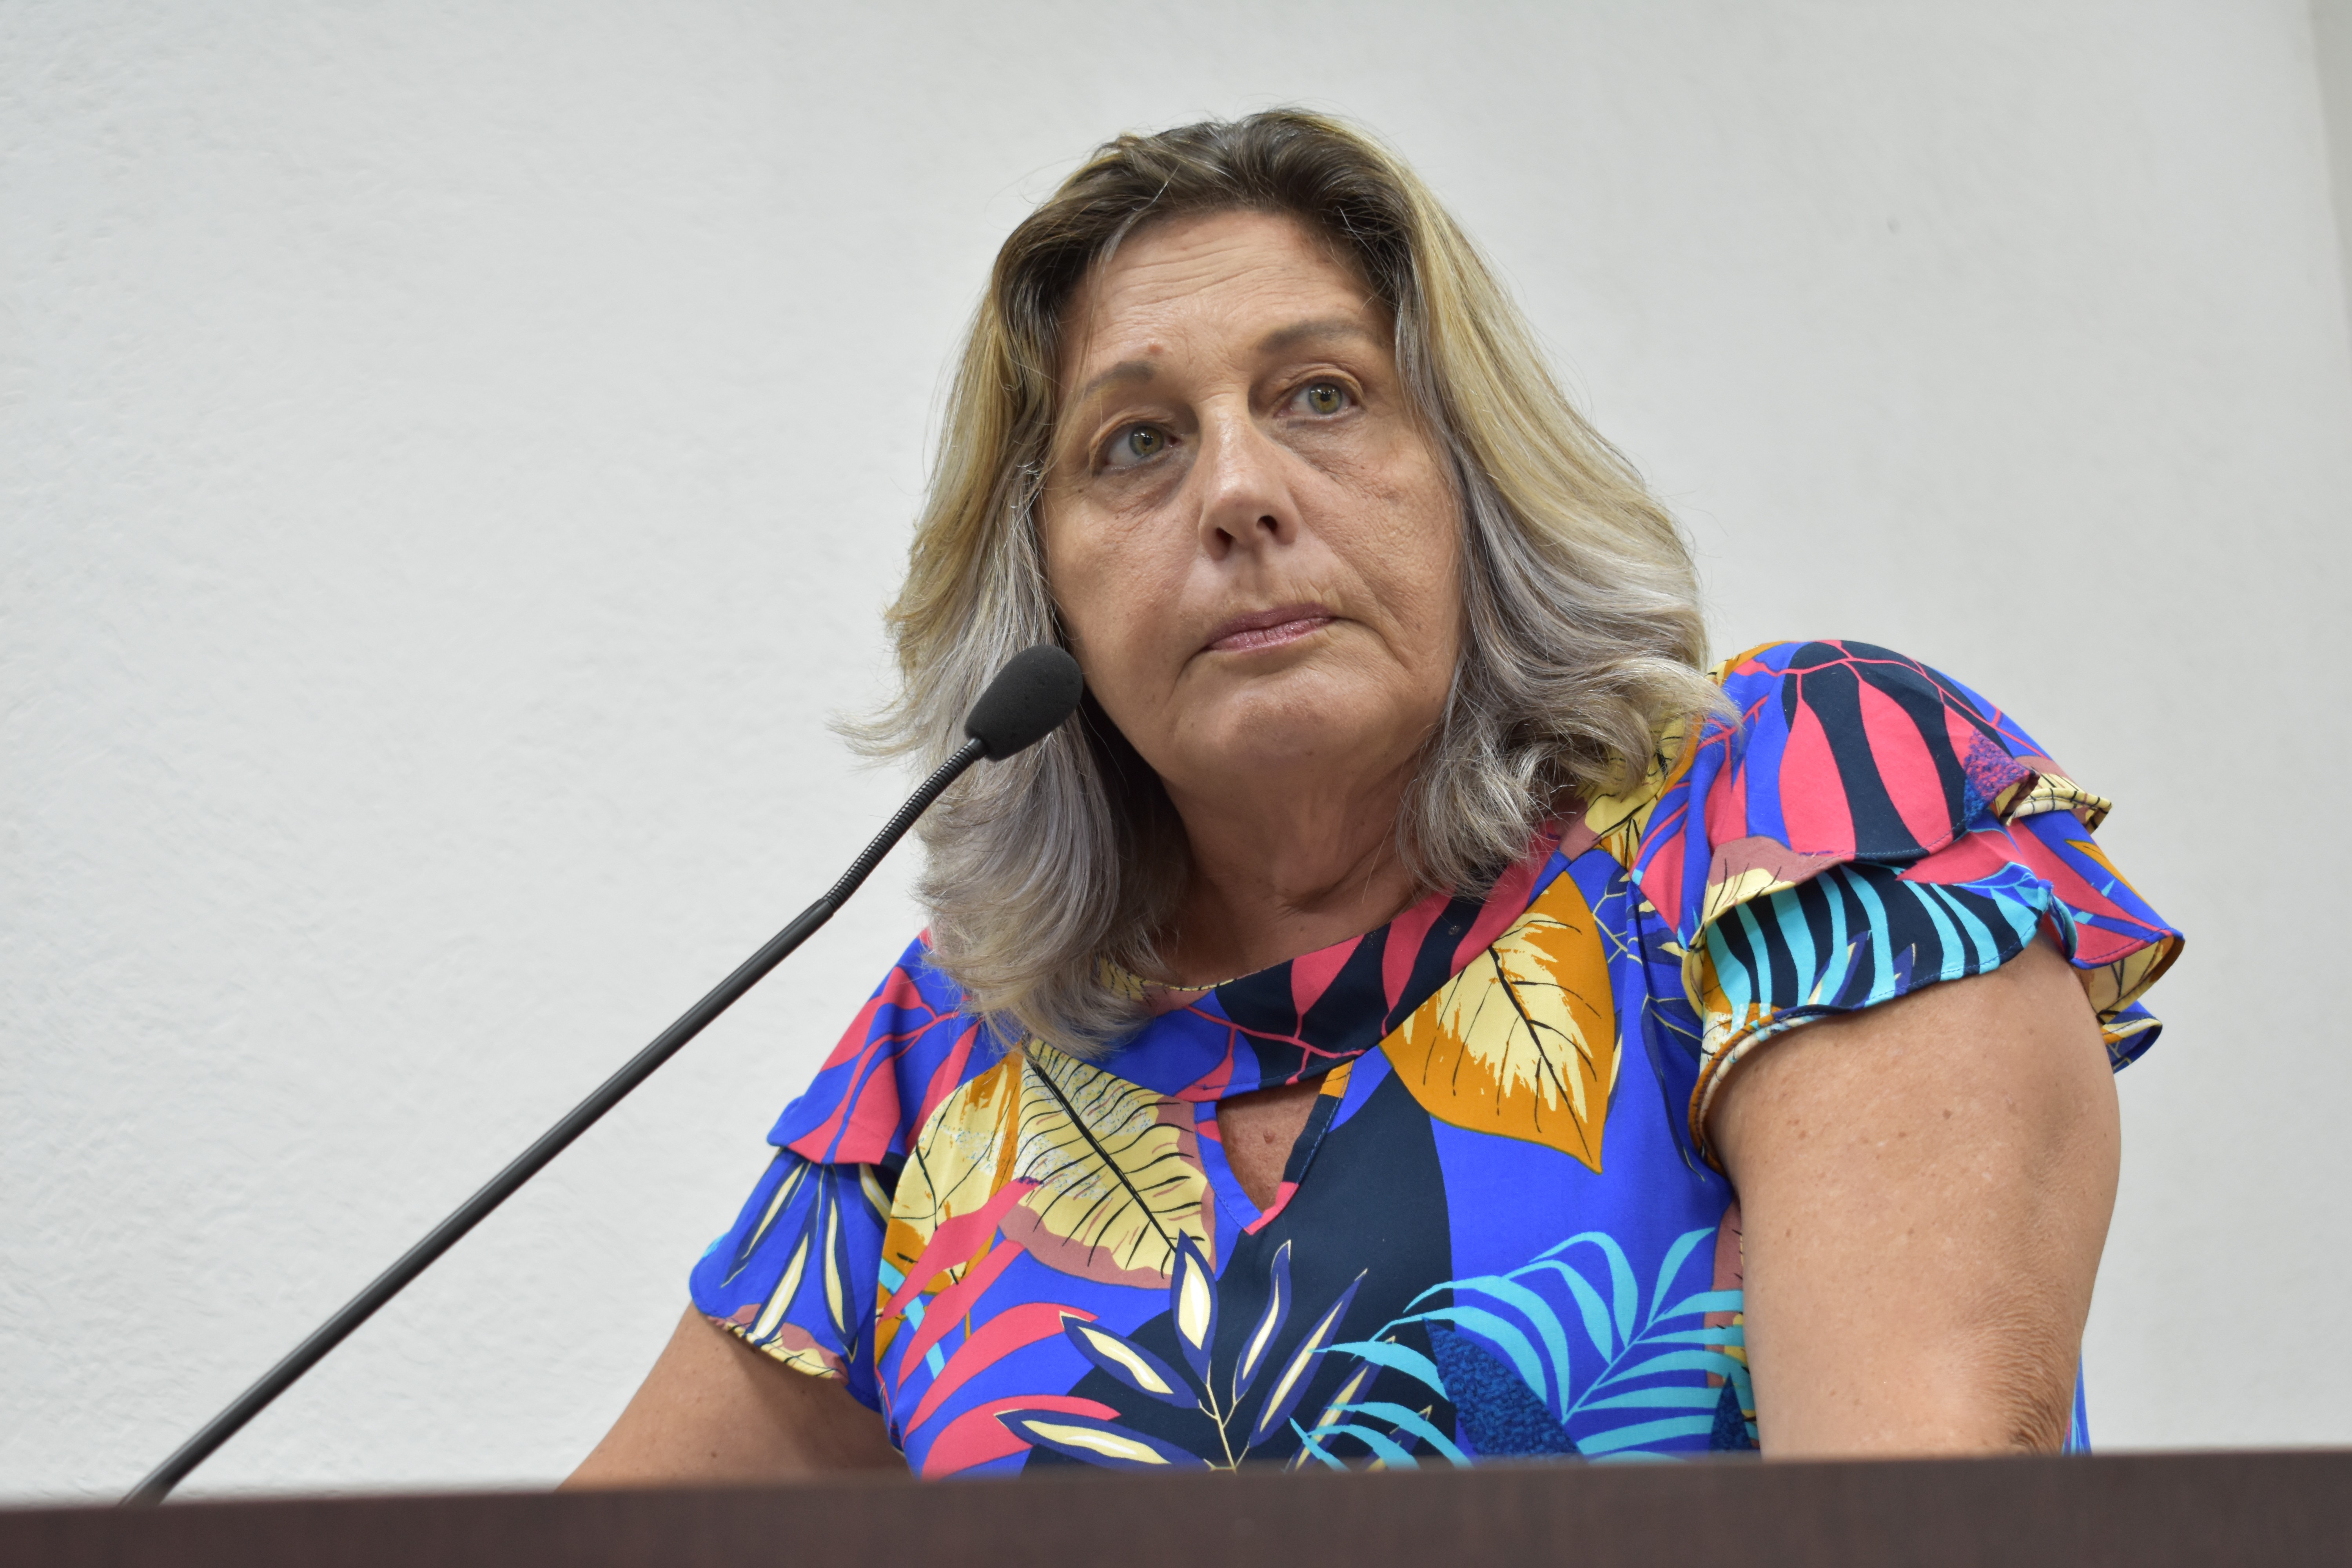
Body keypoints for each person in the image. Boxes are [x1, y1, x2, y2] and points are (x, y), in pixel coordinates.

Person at [567, 110, 2180, 1483]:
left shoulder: (1791, 803)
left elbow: (1919, 1522)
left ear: (1473, 479)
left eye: (1322, 395)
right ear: (1044, 593)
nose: (1238, 494)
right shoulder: (951, 1056)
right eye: (1135, 443)